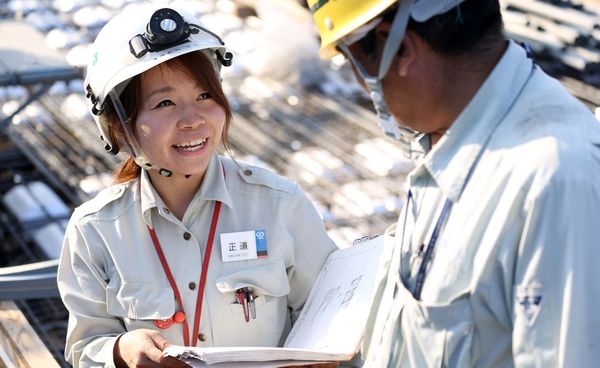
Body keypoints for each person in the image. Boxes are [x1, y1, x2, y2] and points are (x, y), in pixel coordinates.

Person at [306, 0, 600, 366]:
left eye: (354, 64)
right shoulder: (448, 139)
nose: (365, 87)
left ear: (399, 48)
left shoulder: (553, 179)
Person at [57, 4, 337, 367]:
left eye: (205, 95)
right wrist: (119, 350)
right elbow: (84, 347)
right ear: (120, 127)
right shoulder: (95, 232)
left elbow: (332, 319)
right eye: (165, 103)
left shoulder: (281, 205)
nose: (193, 120)